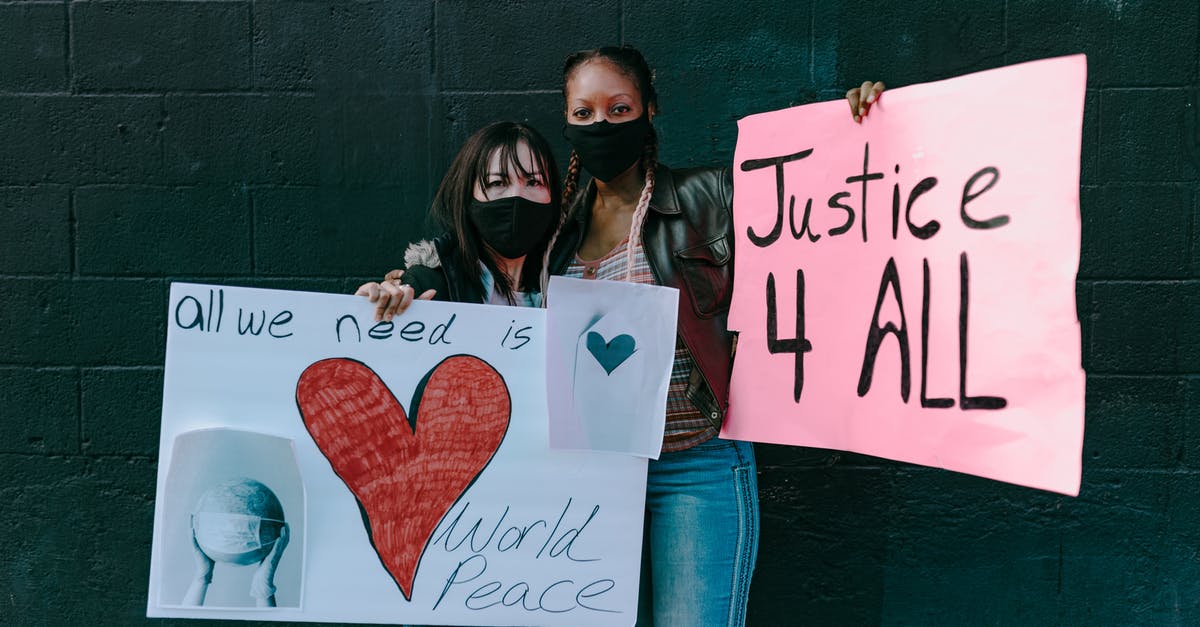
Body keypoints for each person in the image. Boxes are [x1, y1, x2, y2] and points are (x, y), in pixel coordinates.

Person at [365, 47, 883, 627]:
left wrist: (856, 131)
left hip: (696, 464)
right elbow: (478, 277)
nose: (601, 125)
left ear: (649, 109)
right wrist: (406, 286)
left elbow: (816, 215)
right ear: (567, 122)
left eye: (618, 108)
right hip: (590, 475)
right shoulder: (552, 229)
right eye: (583, 114)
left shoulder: (709, 197)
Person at [356, 120, 562, 315]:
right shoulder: (429, 287)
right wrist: (368, 311)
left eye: (534, 182)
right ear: (467, 196)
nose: (517, 195)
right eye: (498, 183)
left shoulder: (566, 284)